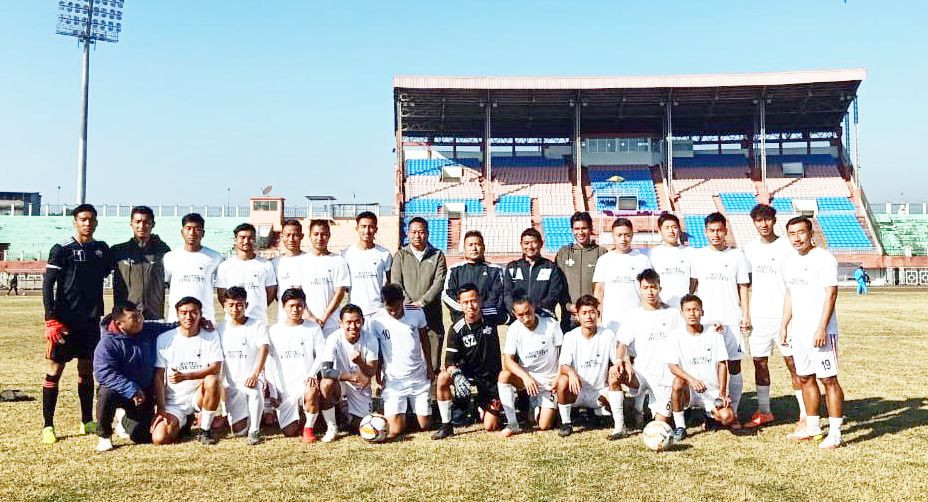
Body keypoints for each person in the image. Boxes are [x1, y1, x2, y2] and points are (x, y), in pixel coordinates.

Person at [41, 203, 114, 444]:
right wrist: (50, 318)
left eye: (92, 219)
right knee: (55, 370)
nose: (88, 223)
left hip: (90, 322)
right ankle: (48, 426)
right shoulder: (62, 249)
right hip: (64, 322)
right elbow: (48, 285)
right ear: (75, 221)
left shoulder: (101, 250)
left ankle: (86, 421)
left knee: (86, 372)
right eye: (83, 219)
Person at [781, 216, 845, 449]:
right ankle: (813, 426)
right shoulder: (789, 261)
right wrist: (784, 325)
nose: (797, 238)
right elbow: (790, 294)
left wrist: (822, 328)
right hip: (798, 333)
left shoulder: (824, 259)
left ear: (811, 234)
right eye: (792, 234)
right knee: (805, 377)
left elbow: (831, 294)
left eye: (801, 232)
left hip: (821, 332)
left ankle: (836, 433)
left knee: (828, 379)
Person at [742, 204, 803, 429]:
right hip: (759, 318)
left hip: (784, 317)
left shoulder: (787, 246)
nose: (764, 224)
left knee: (793, 363)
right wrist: (746, 314)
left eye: (767, 219)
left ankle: (805, 413)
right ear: (754, 223)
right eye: (759, 220)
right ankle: (765, 411)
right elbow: (745, 283)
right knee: (759, 363)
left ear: (774, 220)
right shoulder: (749, 249)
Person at [92, 302, 176, 451]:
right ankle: (104, 435)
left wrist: (196, 322)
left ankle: (124, 421)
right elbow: (103, 373)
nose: (140, 319)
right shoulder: (107, 343)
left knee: (141, 437)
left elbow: (171, 328)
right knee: (106, 393)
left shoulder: (148, 329)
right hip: (120, 391)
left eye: (140, 315)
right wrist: (131, 389)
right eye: (134, 317)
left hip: (144, 394)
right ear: (120, 323)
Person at [691, 212, 749, 427]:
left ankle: (734, 411)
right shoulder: (698, 256)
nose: (716, 234)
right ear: (705, 232)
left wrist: (746, 315)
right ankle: (710, 411)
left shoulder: (737, 256)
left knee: (733, 366)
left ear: (726, 231)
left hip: (731, 319)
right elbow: (693, 287)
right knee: (708, 366)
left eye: (719, 230)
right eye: (711, 230)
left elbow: (743, 286)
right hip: (705, 322)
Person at [432, 284, 511, 440]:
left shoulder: (491, 315)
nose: (470, 306)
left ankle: (479, 406)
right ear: (460, 304)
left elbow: (516, 317)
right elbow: (449, 362)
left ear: (480, 300)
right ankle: (447, 425)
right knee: (442, 378)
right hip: (467, 375)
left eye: (474, 301)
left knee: (490, 426)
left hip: (490, 379)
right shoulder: (456, 328)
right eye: (466, 302)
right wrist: (456, 375)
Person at [555, 295, 632, 439]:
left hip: (599, 391)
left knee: (616, 379)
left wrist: (616, 364)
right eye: (584, 313)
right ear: (577, 316)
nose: (589, 316)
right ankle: (566, 423)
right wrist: (571, 373)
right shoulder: (570, 336)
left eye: (592, 312)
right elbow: (564, 365)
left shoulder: (607, 334)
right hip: (577, 391)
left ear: (597, 314)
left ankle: (620, 427)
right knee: (562, 381)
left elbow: (615, 359)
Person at [151, 297, 224, 445]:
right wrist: (161, 407)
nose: (188, 317)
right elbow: (158, 376)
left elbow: (216, 367)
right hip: (175, 401)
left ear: (200, 314)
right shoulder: (165, 338)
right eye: (184, 312)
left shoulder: (210, 335)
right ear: (177, 314)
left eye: (193, 312)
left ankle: (205, 429)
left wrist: (186, 376)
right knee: (160, 439)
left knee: (212, 380)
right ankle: (184, 422)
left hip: (198, 395)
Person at [666, 294, 735, 442]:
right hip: (689, 390)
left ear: (702, 312)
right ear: (681, 313)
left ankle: (709, 417)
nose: (692, 313)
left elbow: (723, 364)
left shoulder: (714, 333)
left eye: (696, 309)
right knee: (677, 382)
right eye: (688, 310)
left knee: (727, 417)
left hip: (711, 390)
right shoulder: (675, 336)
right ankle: (680, 427)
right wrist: (691, 380)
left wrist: (722, 393)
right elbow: (672, 366)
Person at [616, 269, 680, 427]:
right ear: (640, 290)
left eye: (653, 287)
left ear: (660, 288)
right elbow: (622, 344)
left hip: (665, 377)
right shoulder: (633, 315)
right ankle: (621, 423)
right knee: (614, 375)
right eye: (645, 288)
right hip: (641, 373)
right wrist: (620, 361)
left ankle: (643, 410)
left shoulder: (673, 314)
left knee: (660, 425)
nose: (650, 292)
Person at [369, 284, 433, 439]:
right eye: (388, 308)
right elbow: (376, 349)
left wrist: (429, 366)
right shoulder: (376, 319)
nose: (393, 312)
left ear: (403, 301)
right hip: (394, 381)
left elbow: (424, 339)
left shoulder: (416, 312)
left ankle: (412, 412)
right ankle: (400, 413)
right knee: (395, 430)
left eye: (397, 307)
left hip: (418, 377)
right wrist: (377, 374)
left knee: (425, 425)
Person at [265, 288, 327, 442]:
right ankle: (302, 415)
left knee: (312, 390)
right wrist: (273, 391)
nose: (295, 309)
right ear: (283, 307)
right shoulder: (274, 331)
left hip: (305, 383)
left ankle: (308, 428)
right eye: (291, 305)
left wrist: (312, 373)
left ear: (304, 306)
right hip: (284, 389)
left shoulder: (313, 328)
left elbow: (321, 354)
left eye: (299, 305)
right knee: (290, 432)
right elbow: (269, 361)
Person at [496, 296, 562, 437]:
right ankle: (513, 424)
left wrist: (558, 377)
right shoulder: (514, 329)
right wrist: (525, 377)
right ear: (514, 314)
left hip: (549, 382)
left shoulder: (551, 324)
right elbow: (508, 361)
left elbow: (564, 355)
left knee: (543, 425)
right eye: (520, 315)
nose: (526, 318)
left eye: (528, 313)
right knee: (504, 375)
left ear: (533, 307)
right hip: (529, 380)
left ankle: (539, 406)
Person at [391, 216, 448, 371]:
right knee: (408, 359)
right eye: (414, 232)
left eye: (421, 232)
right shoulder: (400, 255)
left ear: (427, 234)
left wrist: (422, 302)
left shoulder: (437, 255)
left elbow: (439, 282)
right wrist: (409, 304)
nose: (417, 235)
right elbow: (396, 283)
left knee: (433, 362)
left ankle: (431, 394)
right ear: (408, 234)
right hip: (406, 314)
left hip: (431, 315)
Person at [317, 304, 380, 442]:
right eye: (348, 322)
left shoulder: (370, 339)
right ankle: (332, 426)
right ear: (340, 323)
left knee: (362, 427)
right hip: (342, 382)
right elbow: (325, 371)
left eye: (357, 322)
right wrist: (352, 377)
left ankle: (344, 415)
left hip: (360, 387)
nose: (353, 326)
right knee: (326, 384)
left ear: (362, 321)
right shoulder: (333, 338)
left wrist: (360, 362)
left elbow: (371, 372)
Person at [216, 287, 270, 445]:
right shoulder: (220, 328)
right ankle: (246, 416)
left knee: (254, 392)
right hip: (232, 385)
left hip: (252, 378)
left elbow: (264, 348)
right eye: (231, 305)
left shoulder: (257, 325)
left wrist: (255, 374)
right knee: (239, 431)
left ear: (246, 304)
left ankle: (255, 430)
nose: (235, 309)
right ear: (224, 306)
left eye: (239, 305)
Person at [592, 218, 652, 333]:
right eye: (619, 235)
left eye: (627, 235)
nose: (623, 239)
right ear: (613, 236)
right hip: (611, 321)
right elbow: (599, 291)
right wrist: (598, 319)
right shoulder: (604, 260)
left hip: (637, 320)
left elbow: (648, 290)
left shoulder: (642, 260)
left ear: (632, 235)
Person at [111, 205, 171, 320]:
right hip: (126, 318)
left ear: (153, 224)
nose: (141, 226)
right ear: (131, 223)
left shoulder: (163, 251)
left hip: (154, 317)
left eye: (146, 222)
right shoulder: (118, 251)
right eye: (137, 222)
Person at [163, 213, 224, 322]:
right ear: (182, 232)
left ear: (203, 233)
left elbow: (222, 289)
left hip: (205, 318)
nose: (192, 233)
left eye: (197, 229)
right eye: (188, 228)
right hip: (176, 319)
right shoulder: (170, 257)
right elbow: (163, 285)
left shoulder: (215, 257)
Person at [555, 211, 608, 332]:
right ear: (572, 230)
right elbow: (557, 286)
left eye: (584, 228)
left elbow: (606, 288)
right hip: (570, 317)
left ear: (590, 229)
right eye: (576, 228)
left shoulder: (602, 253)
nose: (580, 232)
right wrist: (568, 306)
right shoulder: (563, 253)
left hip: (593, 317)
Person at [216, 223, 277, 323]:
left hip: (258, 320)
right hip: (233, 321)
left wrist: (259, 308)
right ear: (235, 240)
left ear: (255, 239)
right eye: (242, 237)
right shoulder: (225, 266)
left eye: (250, 238)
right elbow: (221, 295)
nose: (246, 241)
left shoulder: (266, 265)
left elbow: (271, 293)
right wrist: (234, 311)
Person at [442, 230, 505, 323]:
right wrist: (467, 311)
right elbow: (447, 295)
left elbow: (497, 296)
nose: (474, 248)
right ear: (464, 248)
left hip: (487, 323)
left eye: (477, 244)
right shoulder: (454, 270)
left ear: (483, 247)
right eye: (470, 245)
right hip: (461, 322)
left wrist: (478, 312)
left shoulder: (495, 270)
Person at [303, 220, 351, 336]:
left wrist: (324, 318)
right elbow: (298, 293)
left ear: (329, 236)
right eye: (316, 234)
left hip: (331, 324)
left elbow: (339, 293)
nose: (320, 238)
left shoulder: (338, 261)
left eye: (324, 234)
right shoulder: (302, 261)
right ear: (309, 235)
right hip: (306, 322)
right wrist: (310, 317)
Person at [504, 227, 565, 316]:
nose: (530, 247)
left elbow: (554, 294)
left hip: (544, 316)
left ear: (541, 244)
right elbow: (507, 294)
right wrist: (519, 312)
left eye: (534, 242)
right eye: (526, 243)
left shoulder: (551, 267)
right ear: (521, 245)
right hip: (519, 317)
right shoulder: (512, 267)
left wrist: (533, 310)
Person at [342, 211, 393, 317]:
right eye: (363, 226)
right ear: (357, 228)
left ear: (376, 229)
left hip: (378, 311)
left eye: (371, 227)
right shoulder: (346, 254)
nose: (367, 231)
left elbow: (390, 282)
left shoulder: (384, 254)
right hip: (355, 312)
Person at [647, 213, 695, 308]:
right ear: (659, 231)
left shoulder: (690, 252)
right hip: (661, 307)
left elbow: (694, 279)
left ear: (679, 230)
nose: (671, 231)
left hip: (684, 308)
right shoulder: (653, 253)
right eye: (667, 228)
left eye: (674, 227)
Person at [271, 219, 307, 320]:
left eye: (295, 235)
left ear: (301, 236)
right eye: (287, 235)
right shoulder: (275, 263)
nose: (291, 239)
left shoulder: (310, 260)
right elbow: (274, 293)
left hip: (307, 318)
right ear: (281, 236)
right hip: (283, 319)